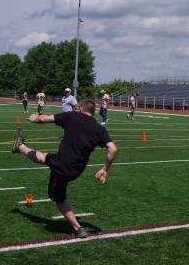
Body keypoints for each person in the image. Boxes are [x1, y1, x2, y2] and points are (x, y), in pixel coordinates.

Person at [12, 99, 118, 238]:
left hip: (62, 168)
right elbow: (113, 149)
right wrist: (104, 169)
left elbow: (42, 118)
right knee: (46, 158)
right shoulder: (99, 128)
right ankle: (19, 146)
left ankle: (77, 228)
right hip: (77, 169)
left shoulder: (71, 116)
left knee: (58, 198)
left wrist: (33, 118)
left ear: (80, 108)